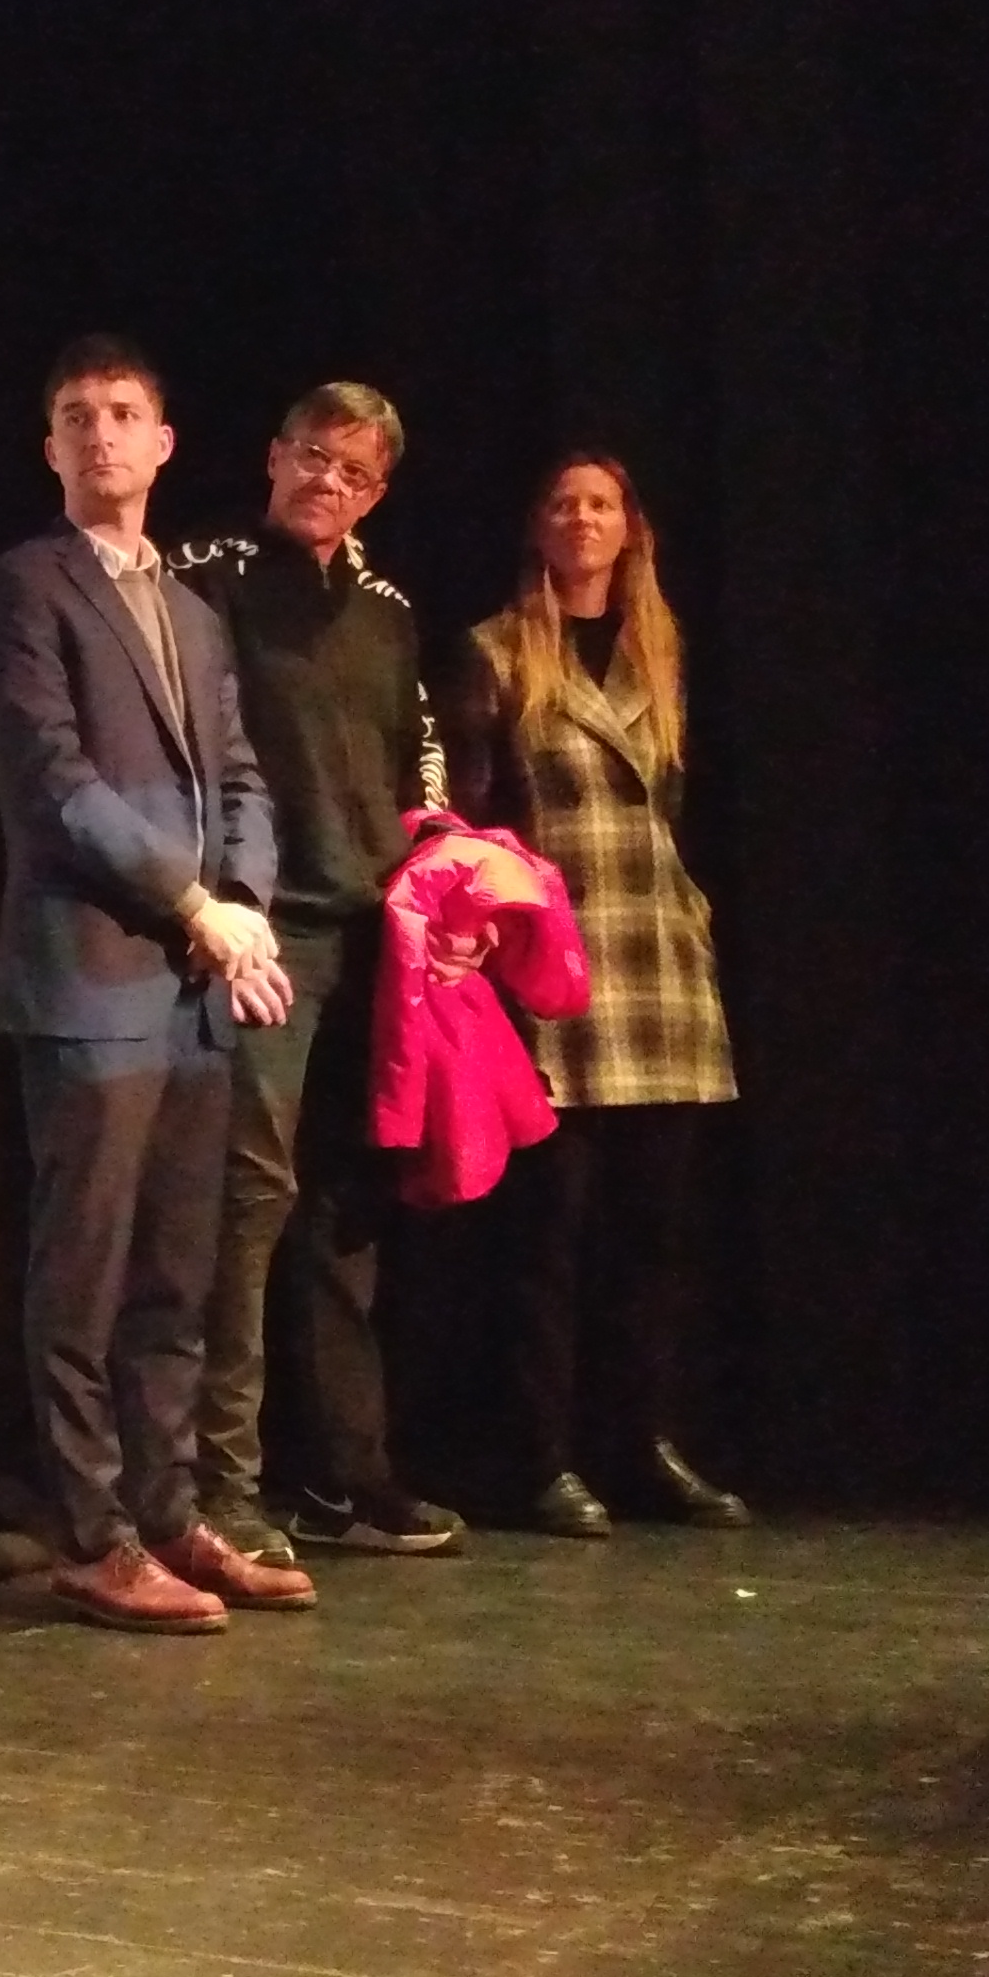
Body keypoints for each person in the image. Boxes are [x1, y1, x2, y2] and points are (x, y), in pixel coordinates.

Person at [0, 335, 315, 1633]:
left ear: (163, 444)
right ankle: (91, 1533)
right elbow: (54, 787)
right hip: (91, 983)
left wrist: (249, 909)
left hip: (193, 992)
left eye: (122, 413)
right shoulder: (20, 592)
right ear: (49, 448)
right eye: (75, 416)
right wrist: (193, 905)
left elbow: (241, 778)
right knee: (85, 1278)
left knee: (177, 1277)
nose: (100, 433)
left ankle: (168, 1515)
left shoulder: (194, 614)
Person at [170, 382, 470, 1562]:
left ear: (376, 494)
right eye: (310, 455)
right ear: (272, 453)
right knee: (248, 1208)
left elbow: (419, 756)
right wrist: (214, 904)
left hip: (373, 933)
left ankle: (347, 1475)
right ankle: (222, 1488)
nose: (324, 482)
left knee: (346, 1207)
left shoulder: (386, 609)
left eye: (351, 473)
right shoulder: (207, 576)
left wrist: (438, 875)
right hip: (265, 934)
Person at [446, 454, 754, 1537]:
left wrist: (695, 915)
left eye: (602, 504)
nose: (582, 519)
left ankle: (641, 1444)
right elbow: (469, 818)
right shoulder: (494, 651)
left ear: (630, 528)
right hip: (553, 972)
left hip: (656, 970)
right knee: (548, 1236)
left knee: (649, 1237)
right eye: (563, 503)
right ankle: (537, 1456)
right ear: (537, 525)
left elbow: (681, 810)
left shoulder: (659, 653)